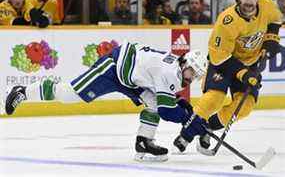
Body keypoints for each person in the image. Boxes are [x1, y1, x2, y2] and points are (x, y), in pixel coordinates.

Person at [4, 41, 207, 162]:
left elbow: (167, 102)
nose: (191, 78)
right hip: (114, 67)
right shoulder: (170, 72)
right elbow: (167, 111)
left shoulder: (177, 71)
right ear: (185, 62)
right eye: (191, 72)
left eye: (195, 76)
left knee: (153, 102)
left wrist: (187, 114)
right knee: (70, 94)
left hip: (133, 78)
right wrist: (189, 120)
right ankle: (23, 91)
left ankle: (144, 141)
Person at [173, 0, 283, 153]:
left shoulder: (266, 4)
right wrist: (244, 74)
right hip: (223, 63)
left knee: (245, 106)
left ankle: (207, 128)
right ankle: (186, 135)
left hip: (250, 63)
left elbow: (275, 20)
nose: (249, 1)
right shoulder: (227, 20)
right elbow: (219, 56)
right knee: (214, 98)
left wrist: (271, 40)